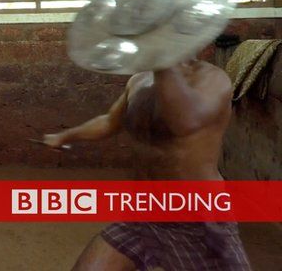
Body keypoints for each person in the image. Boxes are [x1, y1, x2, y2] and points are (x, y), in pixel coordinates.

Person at [43, 59, 252, 270]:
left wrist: (163, 61)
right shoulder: (139, 80)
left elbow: (185, 121)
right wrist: (65, 136)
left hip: (199, 220)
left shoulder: (212, 79)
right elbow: (109, 122)